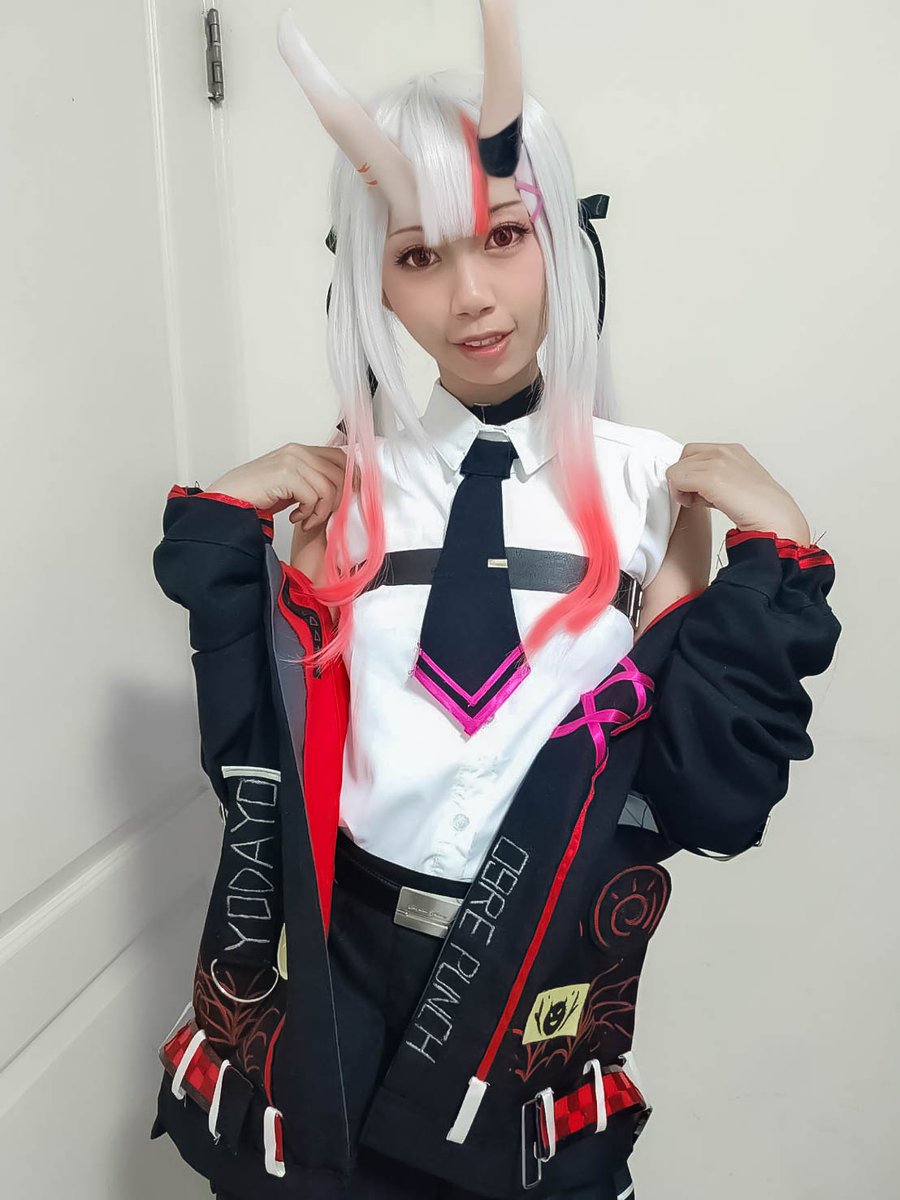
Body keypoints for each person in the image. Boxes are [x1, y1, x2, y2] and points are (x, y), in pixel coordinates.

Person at [150, 5, 839, 1198]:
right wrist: (224, 529)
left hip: (532, 976)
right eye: (420, 256)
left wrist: (777, 562)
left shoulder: (652, 489)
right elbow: (259, 768)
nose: (473, 297)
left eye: (505, 237)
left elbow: (703, 800)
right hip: (341, 970)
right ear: (373, 280)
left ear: (560, 234)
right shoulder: (344, 491)